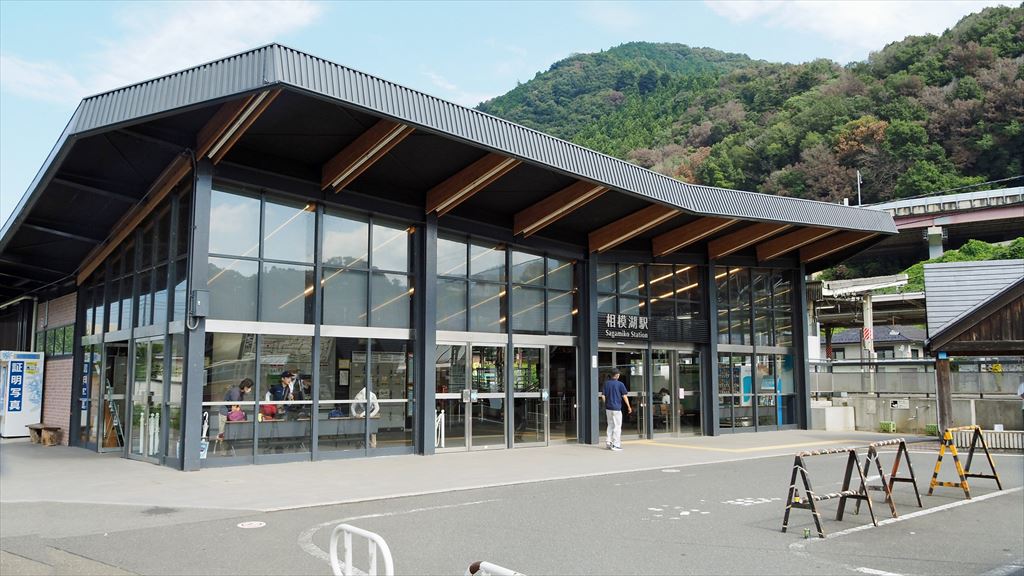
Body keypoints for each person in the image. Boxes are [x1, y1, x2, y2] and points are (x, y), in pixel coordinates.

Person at [603, 371, 631, 451]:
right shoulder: (620, 384)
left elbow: (603, 396)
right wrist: (629, 406)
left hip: (608, 408)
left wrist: (606, 404)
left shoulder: (606, 383)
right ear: (617, 375)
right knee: (617, 426)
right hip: (616, 408)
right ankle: (615, 445)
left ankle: (608, 442)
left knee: (610, 425)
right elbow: (624, 396)